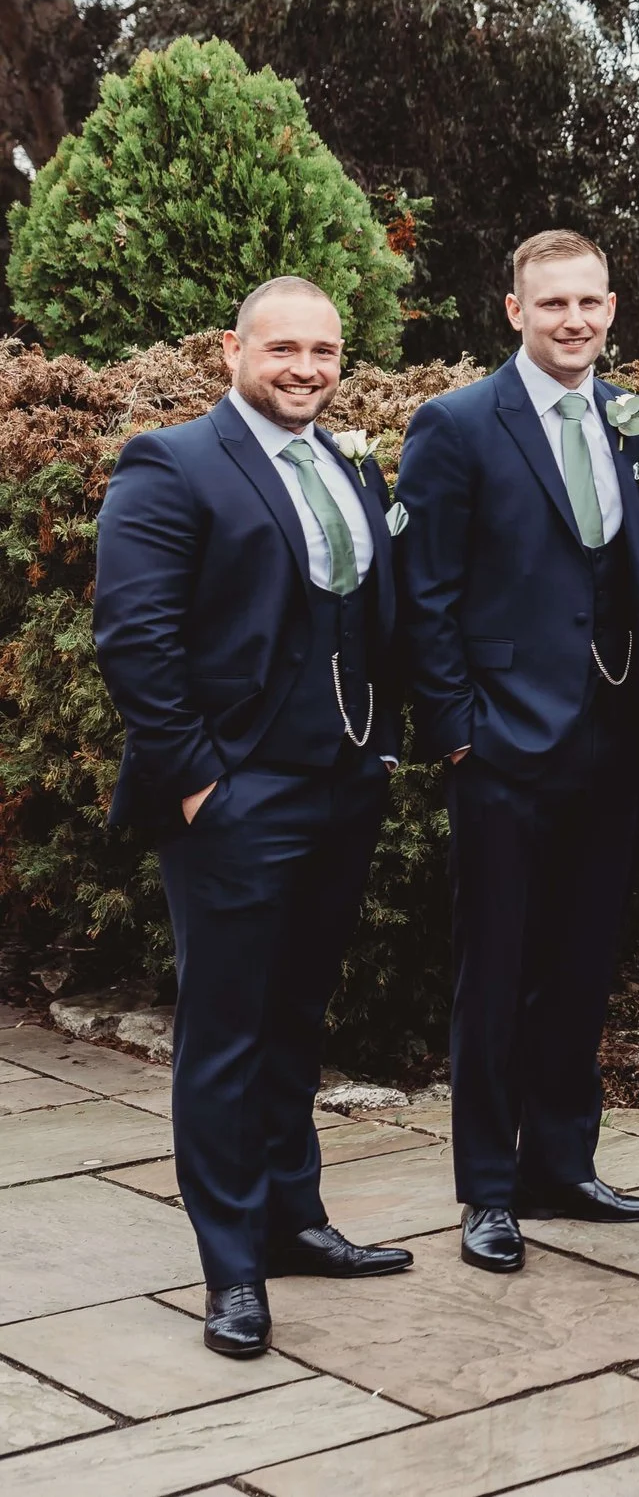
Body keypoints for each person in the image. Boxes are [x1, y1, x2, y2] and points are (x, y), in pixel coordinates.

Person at [94, 276, 413, 1358]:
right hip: (234, 796)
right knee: (225, 1036)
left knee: (297, 1019)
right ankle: (231, 1268)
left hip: (343, 788)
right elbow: (134, 637)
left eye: (324, 351)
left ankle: (293, 1221)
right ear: (234, 350)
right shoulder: (171, 463)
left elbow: (374, 621)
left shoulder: (350, 464)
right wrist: (198, 783)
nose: (306, 369)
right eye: (283, 348)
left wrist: (382, 745)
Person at [395, 230, 639, 1273]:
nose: (574, 320)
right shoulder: (459, 424)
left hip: (615, 742)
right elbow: (425, 595)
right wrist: (457, 734)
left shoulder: (633, 417)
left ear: (611, 308)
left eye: (590, 302)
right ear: (515, 311)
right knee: (497, 973)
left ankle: (561, 1164)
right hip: (503, 745)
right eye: (552, 303)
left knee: (583, 965)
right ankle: (488, 1190)